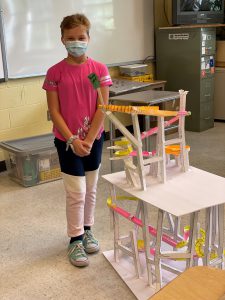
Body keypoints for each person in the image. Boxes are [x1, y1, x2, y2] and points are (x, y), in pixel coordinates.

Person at [42, 13, 112, 267]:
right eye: (70, 38)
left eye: (81, 37)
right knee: (76, 192)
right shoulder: (55, 73)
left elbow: (102, 107)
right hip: (67, 142)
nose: (76, 42)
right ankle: (75, 240)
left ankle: (87, 230)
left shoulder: (97, 71)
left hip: (93, 141)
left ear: (88, 38)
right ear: (62, 39)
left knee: (91, 189)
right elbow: (55, 112)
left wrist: (90, 139)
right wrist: (72, 139)